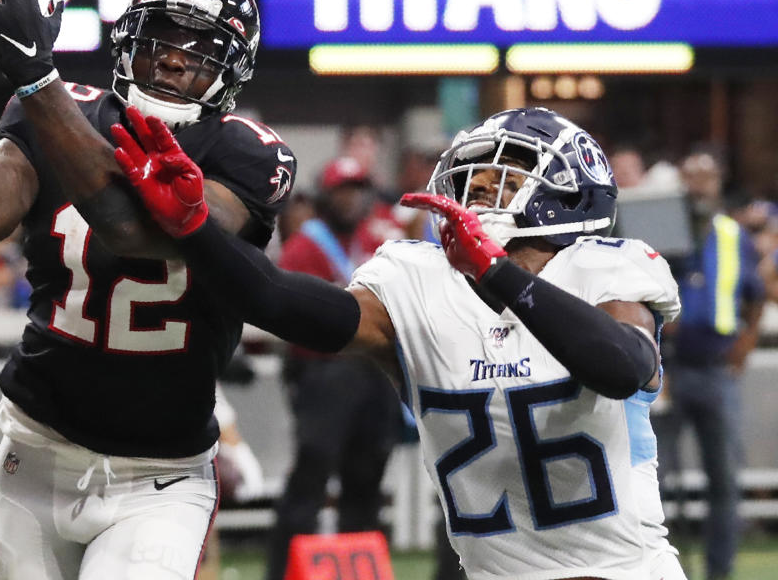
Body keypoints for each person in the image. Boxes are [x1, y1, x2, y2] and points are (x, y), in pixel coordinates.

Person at [111, 105, 688, 579]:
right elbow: (278, 301)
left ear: (567, 192)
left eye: (506, 168)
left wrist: (500, 274)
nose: (481, 183)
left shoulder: (607, 267)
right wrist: (194, 230)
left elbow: (621, 365)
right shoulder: (416, 280)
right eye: (475, 170)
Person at [0, 0, 295, 580]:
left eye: (200, 46)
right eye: (163, 35)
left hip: (159, 475)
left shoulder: (246, 155)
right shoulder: (64, 111)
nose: (174, 57)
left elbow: (134, 230)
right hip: (34, 452)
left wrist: (39, 78)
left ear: (235, 67)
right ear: (128, 38)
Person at [265, 157, 402, 580]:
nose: (351, 198)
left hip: (374, 373)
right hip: (325, 372)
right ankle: (284, 569)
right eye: (342, 189)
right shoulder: (306, 244)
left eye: (358, 189)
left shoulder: (380, 235)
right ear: (326, 195)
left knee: (368, 474)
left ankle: (356, 566)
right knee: (312, 473)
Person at [655, 150, 765, 580]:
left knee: (724, 478)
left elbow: (755, 295)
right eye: (691, 176)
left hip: (715, 367)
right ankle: (658, 570)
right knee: (654, 478)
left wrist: (745, 345)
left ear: (719, 183)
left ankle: (720, 572)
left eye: (707, 177)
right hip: (665, 369)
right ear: (680, 181)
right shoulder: (660, 229)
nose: (699, 185)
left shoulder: (731, 234)